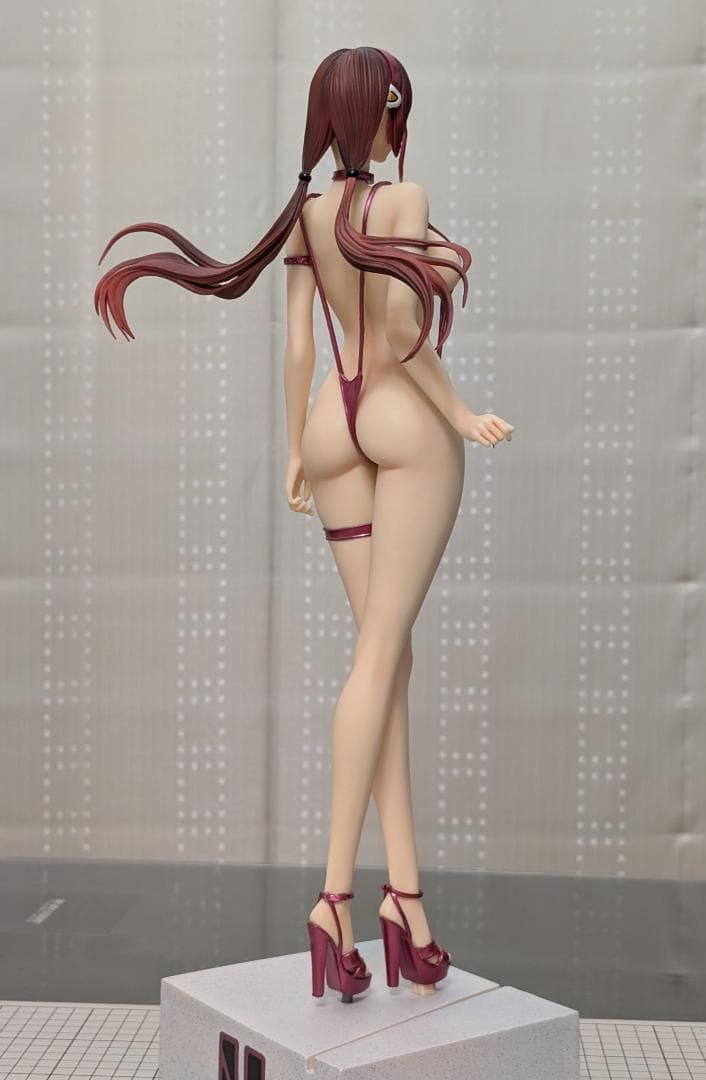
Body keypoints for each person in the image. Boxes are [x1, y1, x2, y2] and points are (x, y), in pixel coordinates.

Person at [94, 45, 514, 1003]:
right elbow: (401, 335)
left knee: (385, 657)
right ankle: (333, 897)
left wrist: (295, 447)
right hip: (401, 423)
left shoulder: (307, 214)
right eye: (397, 106)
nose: (399, 122)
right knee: (380, 659)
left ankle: (406, 903)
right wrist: (459, 413)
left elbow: (296, 347)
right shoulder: (401, 202)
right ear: (382, 109)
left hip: (332, 420)